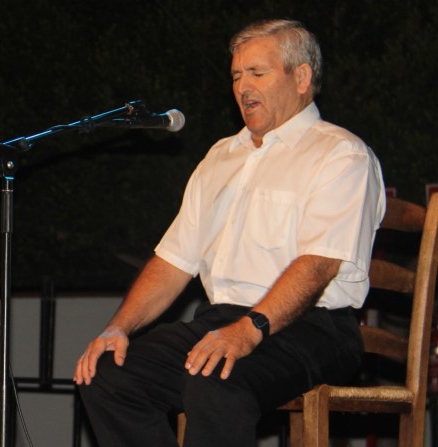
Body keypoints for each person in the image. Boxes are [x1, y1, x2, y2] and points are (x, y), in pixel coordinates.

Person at [74, 19, 385, 446]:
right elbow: (173, 261)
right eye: (237, 76)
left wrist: (249, 328)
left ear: (301, 77)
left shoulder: (340, 154)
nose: (243, 87)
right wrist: (118, 328)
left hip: (312, 327)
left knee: (214, 378)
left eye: (257, 73)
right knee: (106, 375)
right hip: (220, 320)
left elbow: (318, 265)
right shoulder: (220, 157)